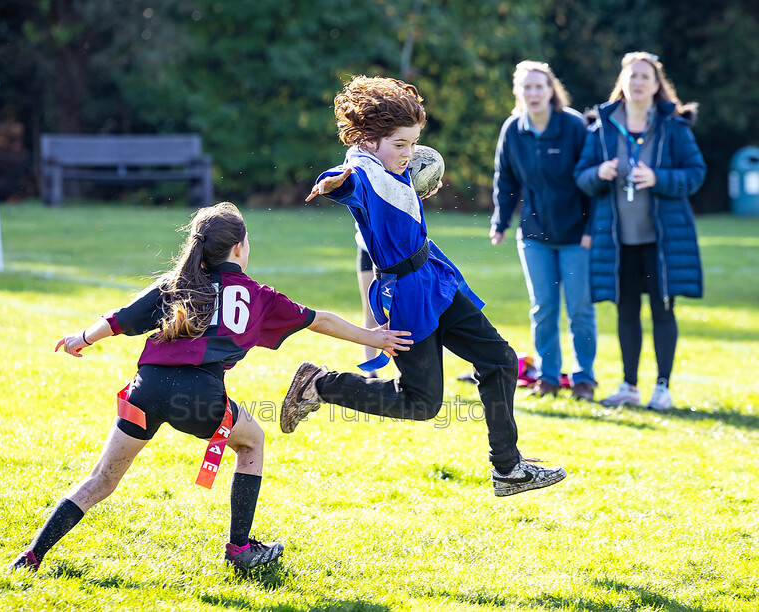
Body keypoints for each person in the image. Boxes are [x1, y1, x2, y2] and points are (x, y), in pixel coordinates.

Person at [9, 202, 412, 573]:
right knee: (252, 441)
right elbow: (320, 319)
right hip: (199, 397)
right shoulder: (259, 296)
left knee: (102, 479)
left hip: (145, 388)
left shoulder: (177, 282)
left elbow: (120, 319)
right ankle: (240, 548)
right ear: (238, 248)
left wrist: (83, 337)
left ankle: (32, 554)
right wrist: (374, 338)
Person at [282, 75, 566, 497]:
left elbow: (395, 181)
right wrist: (332, 182)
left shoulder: (390, 164)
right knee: (421, 403)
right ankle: (319, 384)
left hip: (435, 278)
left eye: (413, 143)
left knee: (501, 360)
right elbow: (346, 176)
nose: (408, 153)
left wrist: (407, 168)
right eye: (400, 144)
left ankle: (507, 469)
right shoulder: (360, 170)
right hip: (406, 297)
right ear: (367, 138)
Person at [574, 52, 706, 411]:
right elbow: (581, 177)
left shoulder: (673, 126)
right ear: (623, 81)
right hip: (618, 243)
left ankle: (662, 388)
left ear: (656, 84)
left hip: (662, 242)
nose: (637, 82)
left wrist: (659, 178)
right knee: (626, 312)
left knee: (663, 311)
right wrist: (599, 172)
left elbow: (696, 173)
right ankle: (629, 386)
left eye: (645, 77)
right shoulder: (602, 126)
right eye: (632, 76)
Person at [490, 61, 597, 401]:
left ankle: (584, 379)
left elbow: (593, 182)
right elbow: (505, 180)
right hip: (534, 236)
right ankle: (548, 378)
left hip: (576, 236)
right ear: (517, 92)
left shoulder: (574, 125)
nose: (533, 93)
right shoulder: (513, 129)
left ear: (552, 90)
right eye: (526, 87)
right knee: (544, 308)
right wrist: (500, 222)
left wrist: (592, 227)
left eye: (539, 86)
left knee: (580, 309)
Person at [354, 224, 380, 377]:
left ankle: (403, 376)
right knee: (371, 313)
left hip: (395, 248)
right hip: (367, 247)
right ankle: (371, 375)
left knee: (399, 315)